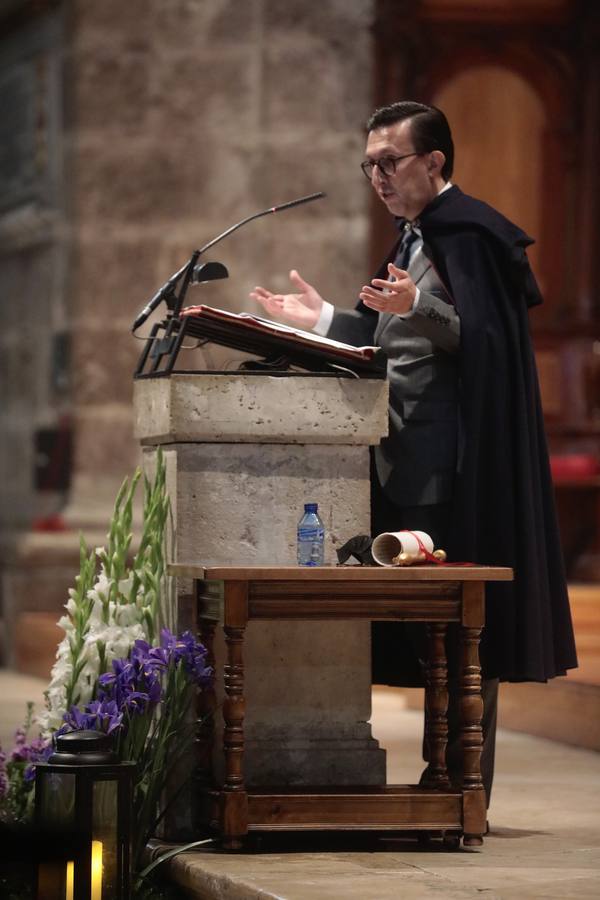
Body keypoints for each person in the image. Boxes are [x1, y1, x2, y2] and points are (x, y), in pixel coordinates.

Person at [250, 101, 578, 808]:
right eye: (369, 164)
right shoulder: (415, 237)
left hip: (453, 465)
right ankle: (440, 779)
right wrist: (325, 321)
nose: (378, 175)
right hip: (400, 454)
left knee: (461, 633)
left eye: (389, 162)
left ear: (434, 162)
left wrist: (418, 308)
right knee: (426, 630)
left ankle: (463, 789)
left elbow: (488, 344)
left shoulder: (473, 235)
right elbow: (387, 336)